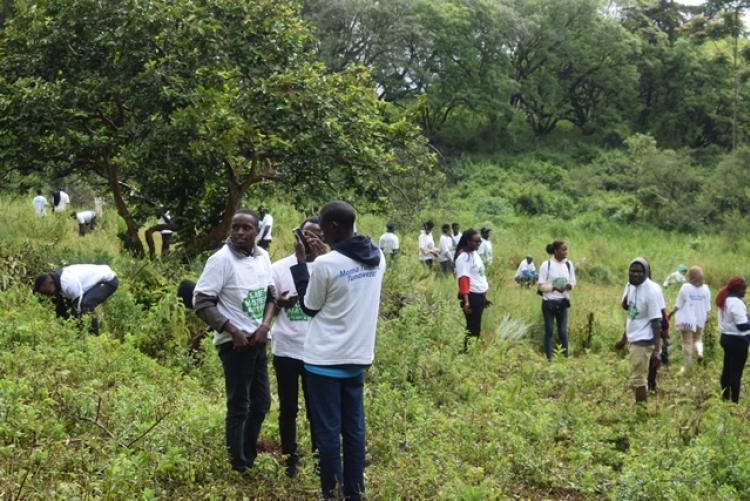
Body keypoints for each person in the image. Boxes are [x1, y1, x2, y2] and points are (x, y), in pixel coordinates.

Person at [290, 201, 385, 500]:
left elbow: (309, 306)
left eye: (322, 226)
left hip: (324, 361)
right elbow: (349, 264)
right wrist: (324, 258)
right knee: (354, 430)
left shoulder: (326, 265)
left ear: (332, 227)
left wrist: (304, 265)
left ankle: (331, 493)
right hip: (357, 357)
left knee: (328, 432)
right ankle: (354, 493)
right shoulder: (378, 256)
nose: (318, 232)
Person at [192, 209, 277, 473]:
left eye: (246, 228)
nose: (240, 232)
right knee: (239, 404)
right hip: (235, 345)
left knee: (261, 402)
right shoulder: (220, 260)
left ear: (257, 231)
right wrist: (232, 330)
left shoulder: (263, 256)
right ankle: (238, 465)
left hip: (259, 341)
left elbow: (271, 296)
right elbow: (201, 301)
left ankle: (248, 454)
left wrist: (265, 326)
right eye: (235, 227)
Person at [270, 216, 322, 478]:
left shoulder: (327, 268)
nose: (310, 240)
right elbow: (270, 306)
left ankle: (318, 457)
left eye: (317, 235)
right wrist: (280, 303)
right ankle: (290, 458)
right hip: (286, 349)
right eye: (306, 235)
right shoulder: (279, 268)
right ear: (297, 237)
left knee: (317, 410)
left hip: (317, 352)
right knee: (288, 408)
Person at [616, 258, 665, 404]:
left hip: (644, 340)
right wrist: (624, 339)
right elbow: (632, 314)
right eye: (632, 271)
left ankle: (641, 412)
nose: (635, 274)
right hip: (634, 337)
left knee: (638, 380)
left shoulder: (651, 291)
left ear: (646, 273)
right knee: (638, 378)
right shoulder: (630, 286)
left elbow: (656, 321)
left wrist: (657, 350)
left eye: (639, 271)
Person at [33, 264, 119, 335]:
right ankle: (66, 334)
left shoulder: (67, 283)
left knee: (85, 305)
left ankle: (94, 337)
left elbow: (78, 308)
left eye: (45, 292)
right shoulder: (56, 280)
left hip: (108, 281)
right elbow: (62, 308)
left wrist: (77, 326)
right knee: (61, 309)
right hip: (90, 284)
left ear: (49, 283)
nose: (46, 295)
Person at [537, 241, 576, 359]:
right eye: (563, 249)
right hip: (549, 302)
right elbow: (540, 286)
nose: (566, 252)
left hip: (563, 302)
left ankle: (565, 358)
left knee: (563, 332)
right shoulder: (546, 265)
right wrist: (553, 288)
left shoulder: (568, 264)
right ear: (555, 251)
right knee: (549, 331)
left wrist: (569, 286)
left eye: (566, 249)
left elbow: (573, 281)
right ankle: (548, 358)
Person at [669, 266, 711, 372]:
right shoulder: (706, 289)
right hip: (700, 318)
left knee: (687, 341)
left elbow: (678, 304)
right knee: (698, 338)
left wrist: (671, 313)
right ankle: (700, 353)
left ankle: (688, 367)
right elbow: (707, 308)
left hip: (686, 320)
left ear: (690, 277)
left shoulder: (685, 287)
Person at [454, 229, 490, 353]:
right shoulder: (464, 257)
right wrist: (467, 302)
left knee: (476, 327)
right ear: (468, 241)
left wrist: (484, 296)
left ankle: (471, 351)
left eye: (480, 241)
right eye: (476, 241)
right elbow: (464, 279)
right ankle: (467, 352)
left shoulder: (475, 254)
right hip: (471, 296)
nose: (478, 243)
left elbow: (481, 276)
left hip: (479, 296)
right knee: (472, 327)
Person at [716, 277, 750, 402]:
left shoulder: (725, 299)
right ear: (737, 289)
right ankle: (734, 402)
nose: (745, 292)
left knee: (727, 370)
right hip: (738, 341)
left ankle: (725, 397)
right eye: (743, 289)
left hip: (726, 338)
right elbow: (742, 326)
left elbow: (733, 319)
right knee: (736, 373)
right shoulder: (736, 302)